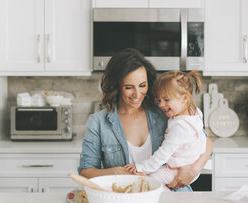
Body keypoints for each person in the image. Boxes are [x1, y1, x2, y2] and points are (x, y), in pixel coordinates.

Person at [78, 48, 212, 191]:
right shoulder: (98, 122)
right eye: (129, 87)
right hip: (127, 201)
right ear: (116, 87)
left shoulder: (164, 111)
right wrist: (116, 172)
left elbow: (205, 140)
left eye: (142, 85)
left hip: (176, 198)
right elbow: (85, 172)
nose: (137, 94)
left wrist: (193, 169)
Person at [124, 70, 206, 190]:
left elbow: (163, 154)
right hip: (189, 164)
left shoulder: (180, 127)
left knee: (150, 182)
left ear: (184, 98)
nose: (161, 105)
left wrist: (140, 167)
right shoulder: (194, 112)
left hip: (178, 169)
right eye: (159, 100)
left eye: (166, 99)